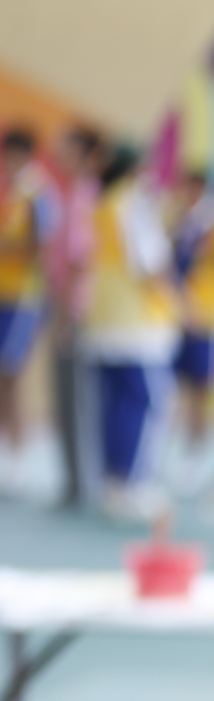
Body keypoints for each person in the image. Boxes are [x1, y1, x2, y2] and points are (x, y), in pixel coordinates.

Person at [81, 145, 182, 518]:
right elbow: (151, 266)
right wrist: (181, 305)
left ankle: (112, 482)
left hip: (104, 322)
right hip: (139, 326)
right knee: (147, 405)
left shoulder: (102, 206)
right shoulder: (133, 206)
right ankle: (136, 484)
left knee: (113, 407)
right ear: (136, 170)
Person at [42, 126, 101, 506]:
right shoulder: (68, 194)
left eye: (67, 148)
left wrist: (65, 312)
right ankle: (77, 481)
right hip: (65, 303)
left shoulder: (83, 197)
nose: (59, 154)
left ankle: (81, 484)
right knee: (67, 396)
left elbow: (80, 260)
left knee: (73, 396)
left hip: (74, 308)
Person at [170, 169, 214, 456]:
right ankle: (178, 450)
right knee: (176, 387)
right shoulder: (179, 223)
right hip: (178, 314)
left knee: (201, 389)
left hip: (206, 316)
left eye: (192, 188)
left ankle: (197, 453)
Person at [0, 127, 51, 465]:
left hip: (23, 298)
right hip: (5, 293)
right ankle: (9, 449)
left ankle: (17, 456)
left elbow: (40, 246)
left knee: (11, 375)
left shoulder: (37, 194)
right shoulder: (12, 192)